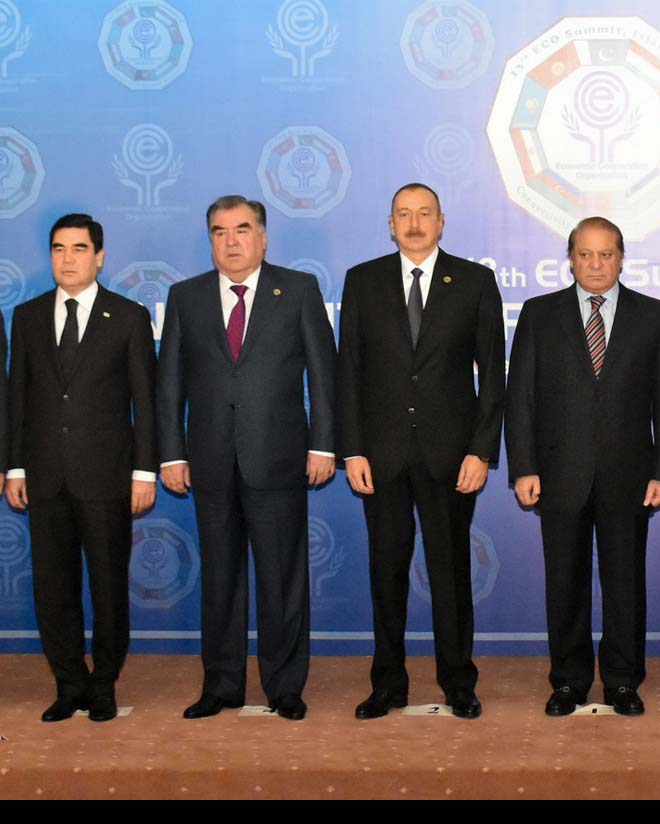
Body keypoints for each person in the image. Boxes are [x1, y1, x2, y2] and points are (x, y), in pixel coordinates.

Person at [157, 196, 336, 721]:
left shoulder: (297, 290)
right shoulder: (186, 296)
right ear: (210, 239)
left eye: (241, 229)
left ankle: (285, 686)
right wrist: (171, 453)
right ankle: (221, 685)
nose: (231, 241)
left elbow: (324, 373)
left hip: (278, 459)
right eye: (219, 232)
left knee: (282, 580)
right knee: (219, 579)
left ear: (263, 237)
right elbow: (169, 383)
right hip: (209, 459)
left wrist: (323, 445)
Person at [337, 183, 504, 720]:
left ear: (441, 221)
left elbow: (493, 374)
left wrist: (481, 451)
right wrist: (352, 450)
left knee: (450, 573)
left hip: (451, 456)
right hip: (380, 456)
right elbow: (348, 373)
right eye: (404, 215)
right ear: (390, 225)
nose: (414, 224)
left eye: (424, 214)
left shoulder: (474, 281)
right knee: (385, 574)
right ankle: (387, 684)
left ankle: (459, 683)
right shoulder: (362, 281)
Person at [506, 216, 660, 717]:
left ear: (622, 258)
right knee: (565, 583)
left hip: (631, 477)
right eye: (585, 254)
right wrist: (523, 466)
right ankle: (569, 681)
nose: (596, 264)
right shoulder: (540, 314)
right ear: (570, 259)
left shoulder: (654, 316)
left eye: (606, 254)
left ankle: (623, 681)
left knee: (625, 583)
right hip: (558, 474)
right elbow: (520, 396)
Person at [6, 213, 156, 723]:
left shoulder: (129, 316)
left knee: (109, 589)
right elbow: (17, 397)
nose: (67, 259)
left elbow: (145, 403)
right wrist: (15, 467)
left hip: (107, 478)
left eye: (78, 248)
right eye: (58, 249)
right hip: (45, 477)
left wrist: (144, 472)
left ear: (99, 256)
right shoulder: (27, 317)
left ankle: (104, 684)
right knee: (54, 591)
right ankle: (68, 684)